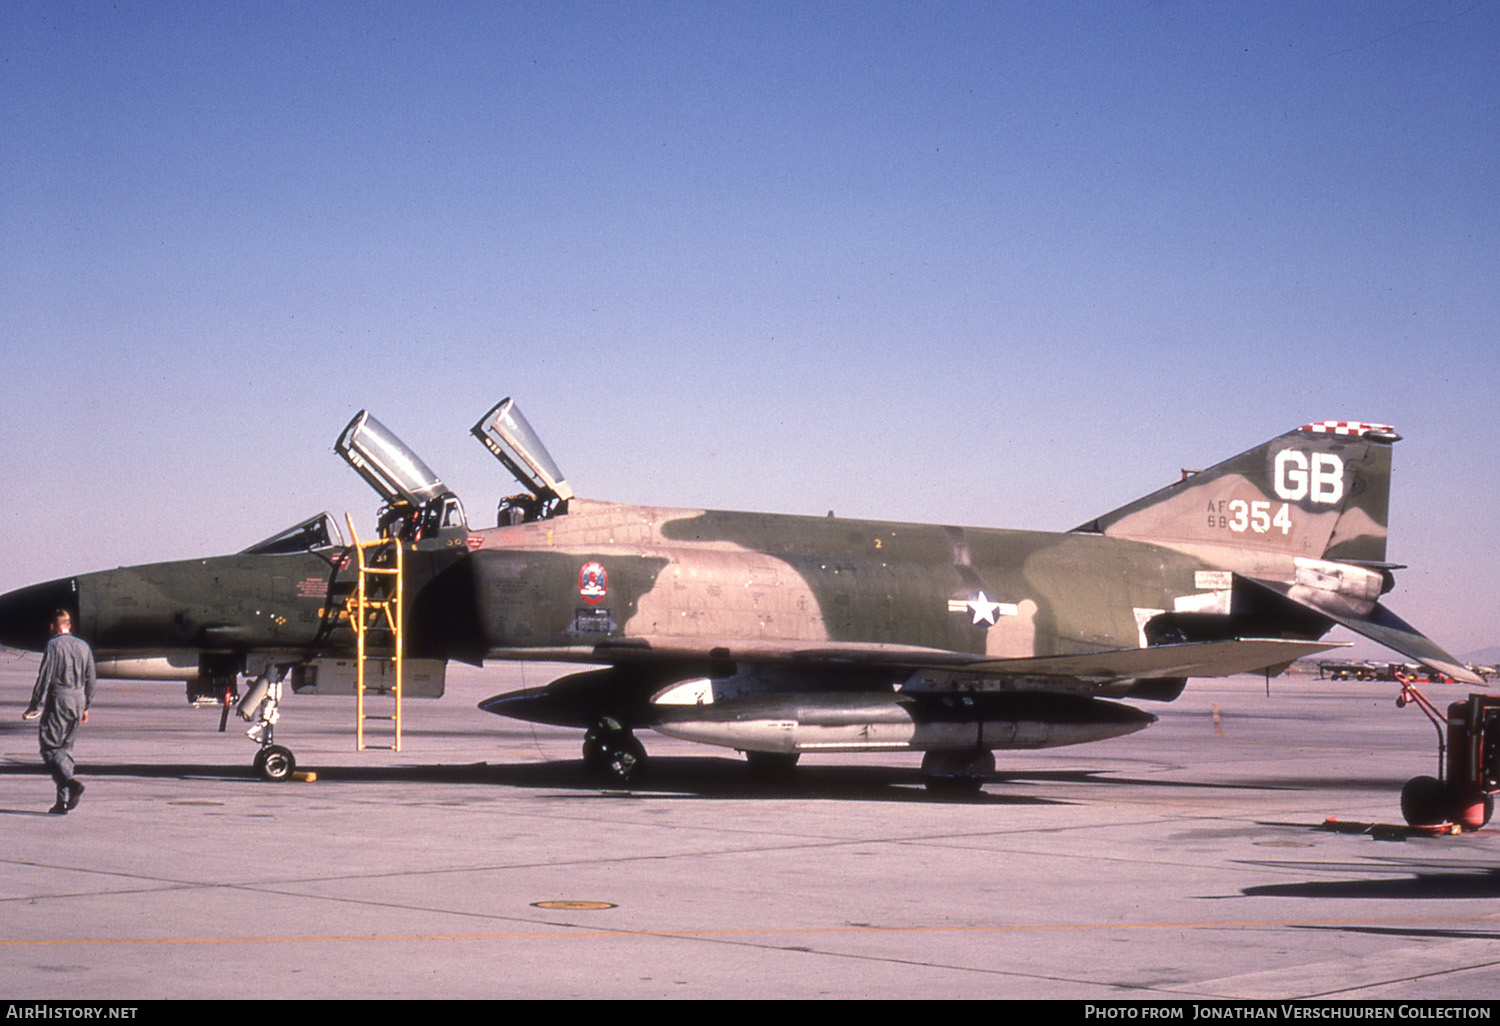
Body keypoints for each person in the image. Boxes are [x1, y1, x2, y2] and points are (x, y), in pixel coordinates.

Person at [22, 609, 96, 814]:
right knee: (65, 751)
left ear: (53, 627)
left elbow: (44, 677)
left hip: (59, 700)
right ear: (69, 626)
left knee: (49, 747)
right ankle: (62, 802)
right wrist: (86, 706)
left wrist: (34, 703)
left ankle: (69, 784)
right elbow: (91, 678)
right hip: (78, 699)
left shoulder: (53, 645)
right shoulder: (83, 646)